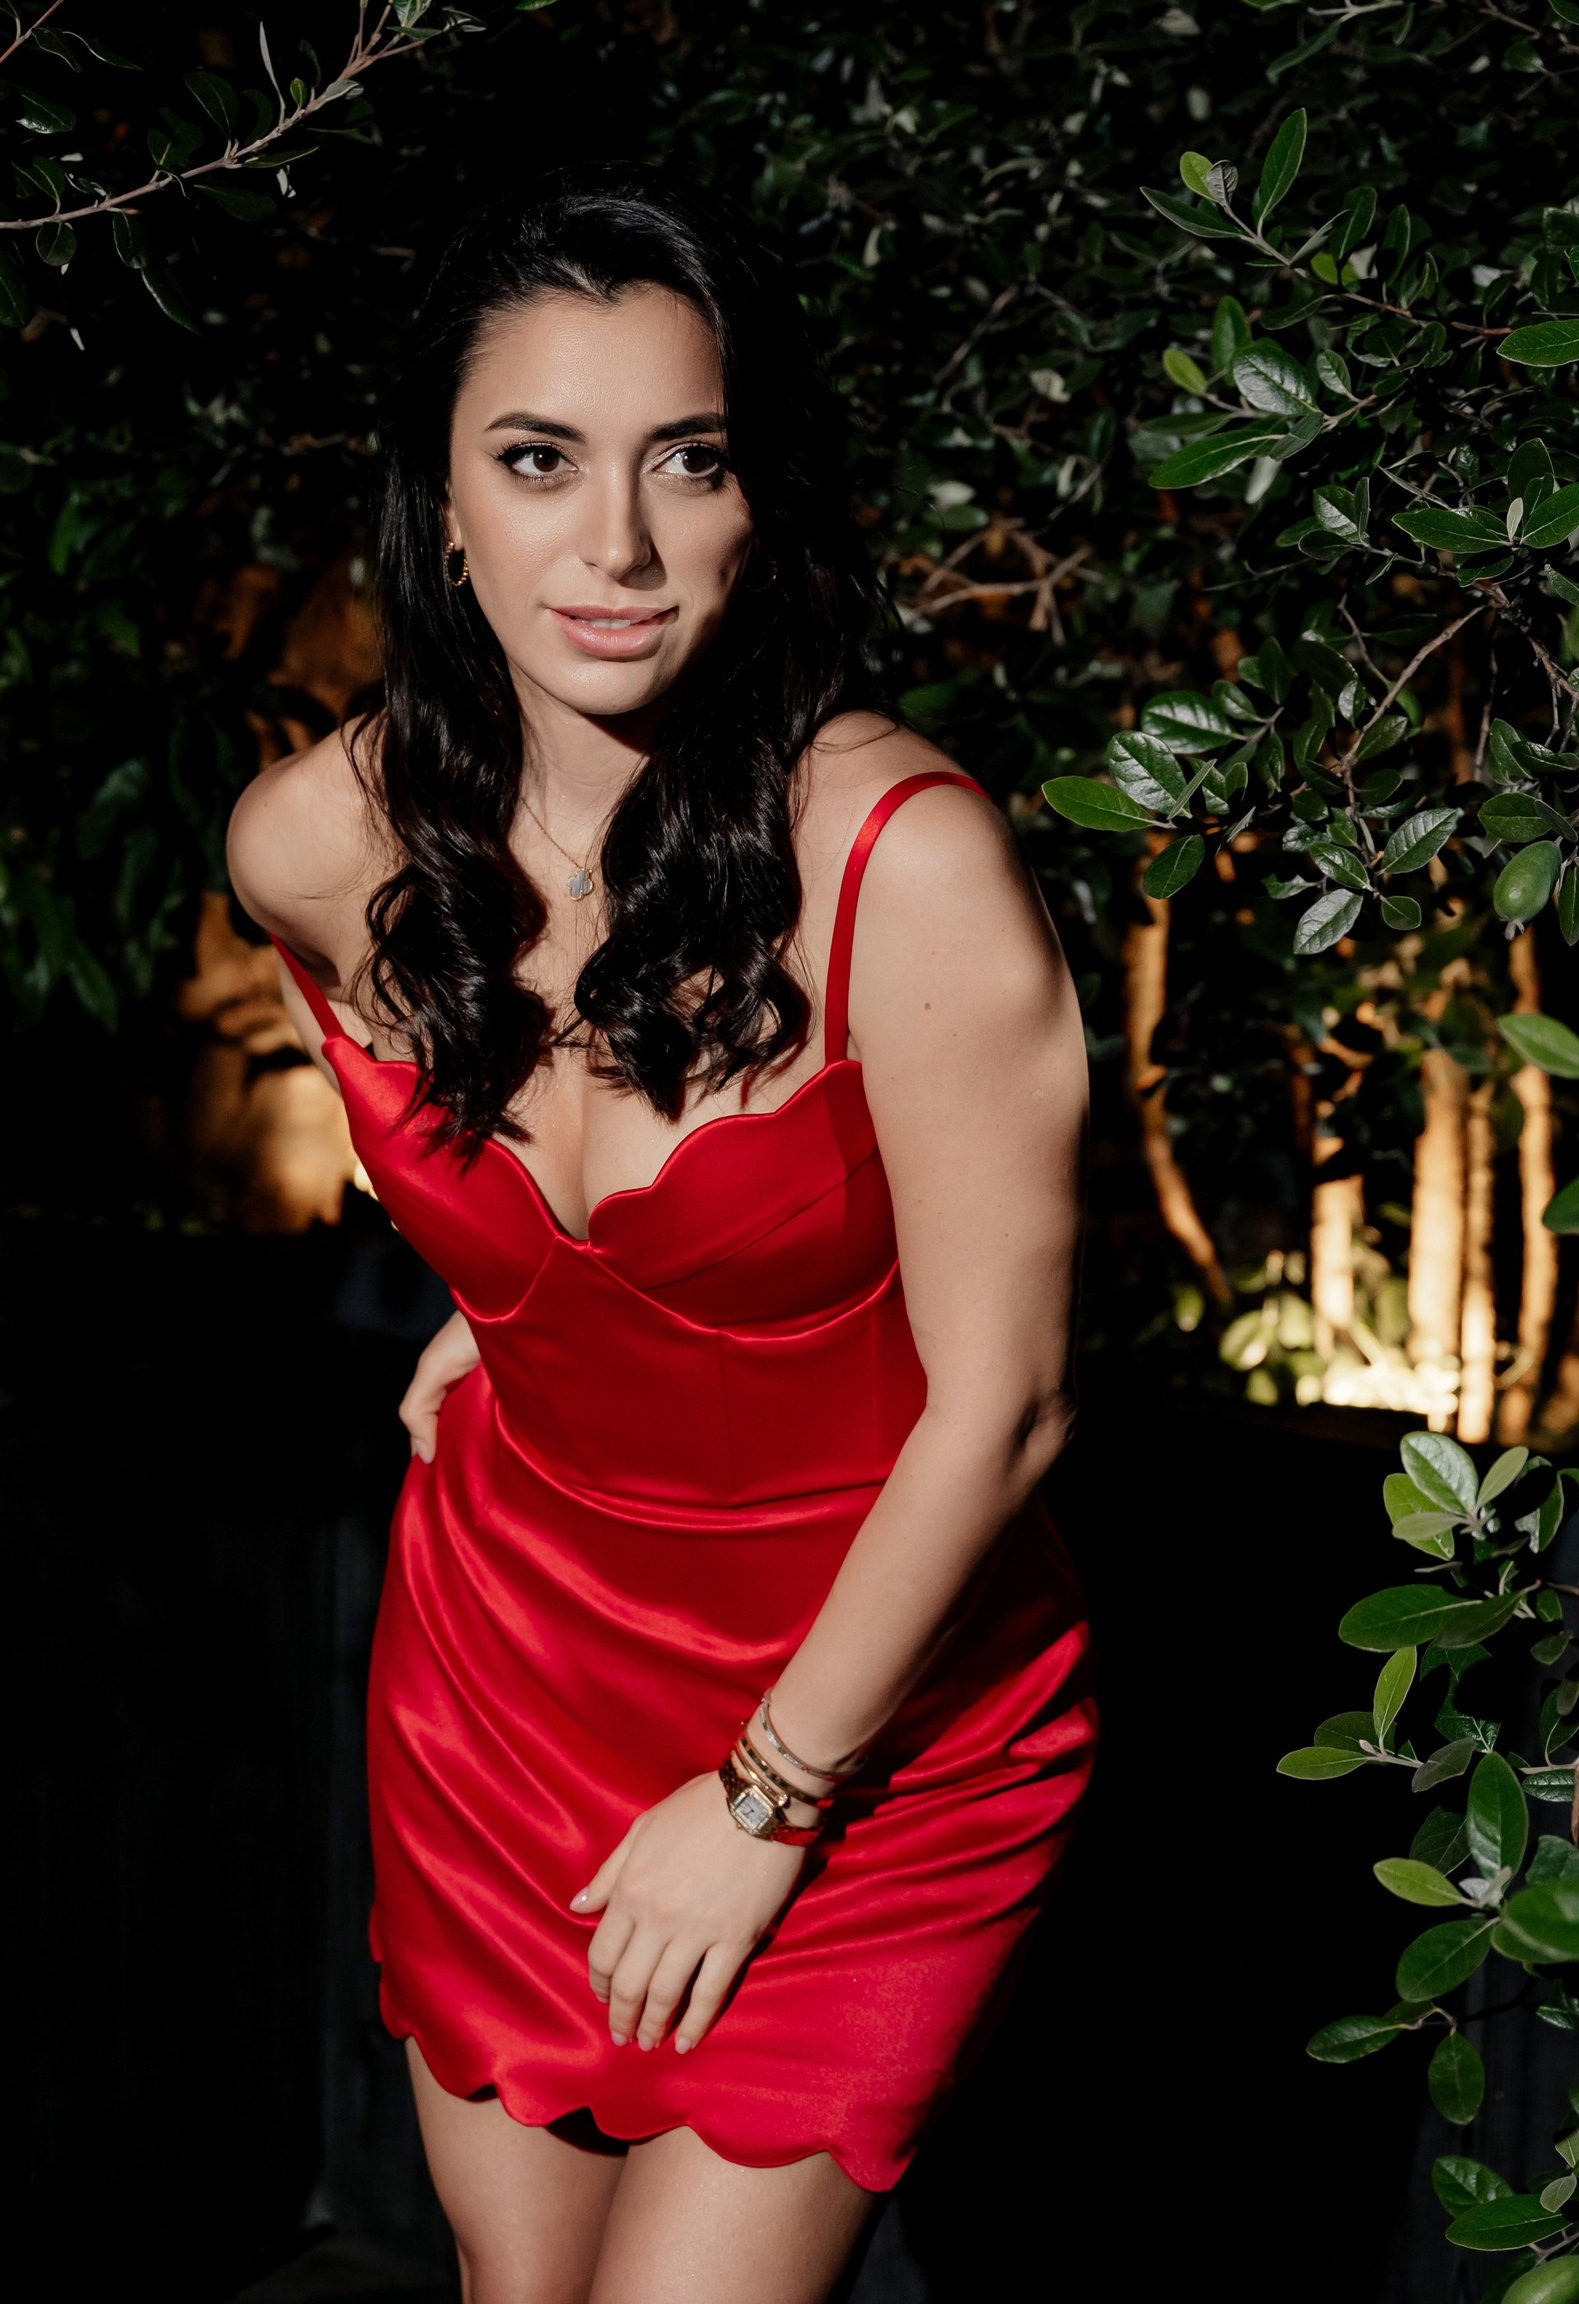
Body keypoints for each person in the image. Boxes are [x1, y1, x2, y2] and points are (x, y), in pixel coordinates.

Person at [227, 167, 1095, 2304]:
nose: (612, 546)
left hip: (874, 1733)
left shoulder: (901, 864)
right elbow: (494, 1173)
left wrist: (766, 1802)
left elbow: (1004, 1408)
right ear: (443, 507)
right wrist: (515, 1311)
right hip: (511, 1677)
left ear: (756, 504)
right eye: (539, 461)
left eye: (684, 463)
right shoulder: (315, 847)